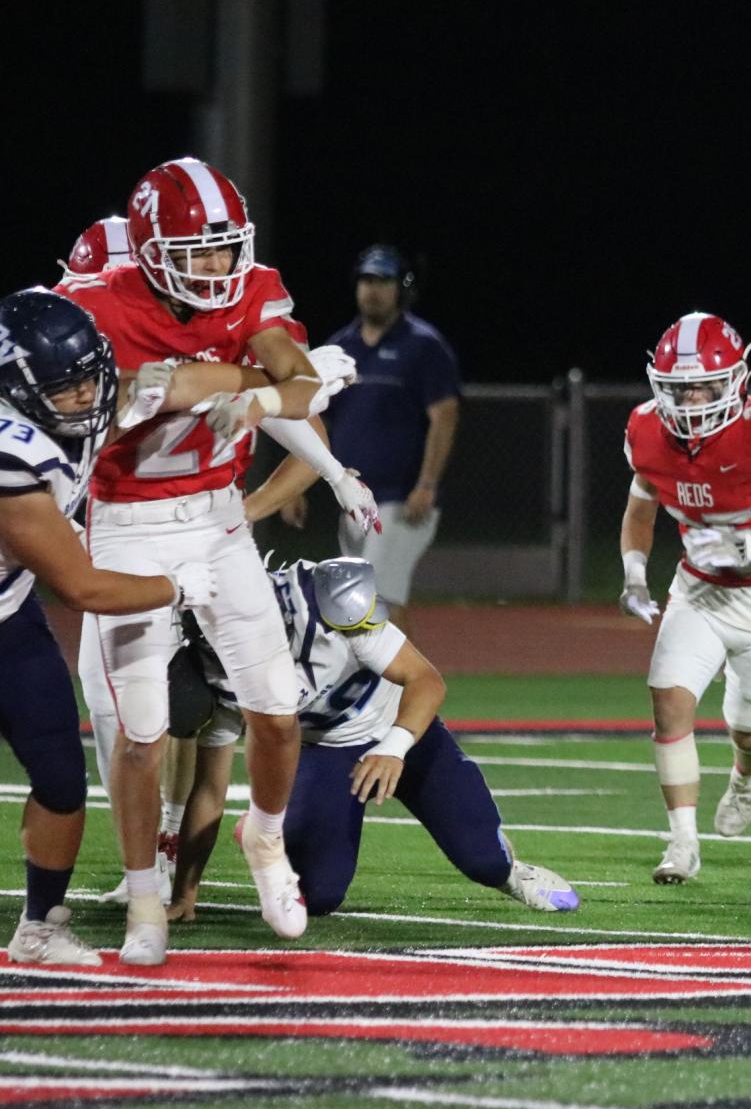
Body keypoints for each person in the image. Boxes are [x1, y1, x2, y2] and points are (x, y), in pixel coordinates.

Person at [58, 156, 379, 964]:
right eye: (198, 251)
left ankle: (263, 840)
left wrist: (272, 395)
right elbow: (151, 390)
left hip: (217, 519)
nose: (216, 267)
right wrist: (249, 380)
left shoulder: (252, 286)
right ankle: (143, 898)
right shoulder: (98, 300)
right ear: (151, 248)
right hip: (125, 520)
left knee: (275, 708)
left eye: (225, 248)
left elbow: (301, 382)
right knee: (139, 732)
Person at [166, 558, 577, 919]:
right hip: (325, 752)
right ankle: (272, 825)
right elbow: (209, 790)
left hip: (400, 730)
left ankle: (512, 872)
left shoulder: (324, 601)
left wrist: (395, 747)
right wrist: (186, 891)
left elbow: (425, 680)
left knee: (483, 861)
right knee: (320, 894)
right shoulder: (213, 672)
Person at [0, 289, 214, 965]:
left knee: (61, 778)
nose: (88, 395)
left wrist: (277, 383)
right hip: (24, 602)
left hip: (7, 612)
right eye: (70, 386)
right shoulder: (9, 455)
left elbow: (147, 394)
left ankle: (39, 929)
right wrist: (177, 588)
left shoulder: (59, 412)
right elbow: (83, 587)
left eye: (93, 375)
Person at [617, 312, 751, 883]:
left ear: (736, 379)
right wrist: (633, 572)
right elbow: (640, 508)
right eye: (680, 386)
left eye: (704, 383)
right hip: (698, 590)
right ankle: (682, 842)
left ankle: (748, 776)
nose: (692, 397)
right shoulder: (646, 429)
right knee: (668, 701)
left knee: (747, 728)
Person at [301, 245, 460, 624]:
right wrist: (299, 486)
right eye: (367, 280)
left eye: (383, 281)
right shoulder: (342, 345)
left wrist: (426, 485)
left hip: (400, 498)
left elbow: (445, 416)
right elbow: (314, 419)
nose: (373, 290)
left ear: (401, 288)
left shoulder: (423, 346)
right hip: (354, 496)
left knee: (376, 600)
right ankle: (393, 681)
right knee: (360, 603)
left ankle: (396, 683)